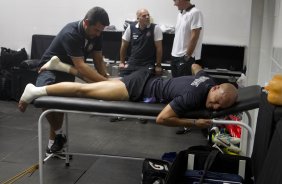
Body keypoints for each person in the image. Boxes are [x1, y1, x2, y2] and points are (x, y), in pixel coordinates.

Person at [19, 58, 238, 131]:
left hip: (145, 79)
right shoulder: (192, 96)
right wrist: (194, 122)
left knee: (100, 83)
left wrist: (189, 64)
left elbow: (196, 67)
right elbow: (162, 118)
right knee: (83, 90)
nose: (215, 108)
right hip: (136, 89)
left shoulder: (208, 80)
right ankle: (35, 90)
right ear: (217, 89)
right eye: (217, 102)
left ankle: (60, 66)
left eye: (219, 108)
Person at [35, 7, 110, 158]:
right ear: (86, 23)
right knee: (45, 99)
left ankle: (53, 146)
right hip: (50, 67)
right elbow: (81, 66)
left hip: (68, 69)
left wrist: (105, 80)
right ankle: (59, 135)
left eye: (101, 31)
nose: (98, 34)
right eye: (96, 30)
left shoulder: (97, 35)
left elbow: (98, 59)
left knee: (61, 106)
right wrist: (105, 83)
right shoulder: (72, 33)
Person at [172, 0, 204, 134]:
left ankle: (187, 123)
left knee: (186, 91)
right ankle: (177, 119)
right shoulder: (181, 14)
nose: (174, 4)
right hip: (175, 56)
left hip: (185, 58)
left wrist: (187, 57)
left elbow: (195, 35)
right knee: (176, 90)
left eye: (175, 0)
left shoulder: (195, 13)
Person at [119, 8, 163, 76]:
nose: (147, 17)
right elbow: (124, 45)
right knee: (123, 78)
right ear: (138, 18)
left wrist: (158, 65)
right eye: (144, 16)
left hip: (147, 63)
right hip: (133, 62)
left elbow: (159, 48)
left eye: (148, 15)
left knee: (142, 80)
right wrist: (122, 62)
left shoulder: (155, 28)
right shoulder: (131, 27)